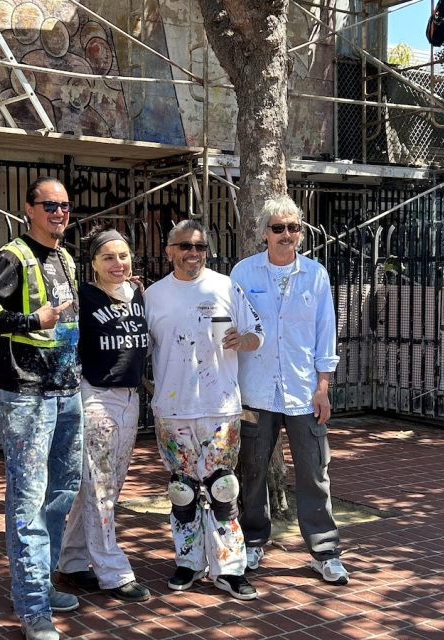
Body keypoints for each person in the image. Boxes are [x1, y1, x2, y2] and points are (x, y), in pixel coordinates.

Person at [0, 177, 82, 640]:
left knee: (63, 489)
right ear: (29, 209)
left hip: (66, 389)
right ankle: (33, 606)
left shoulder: (65, 257)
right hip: (25, 394)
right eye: (49, 205)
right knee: (28, 498)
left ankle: (43, 579)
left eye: (65, 206)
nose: (59, 213)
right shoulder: (12, 257)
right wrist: (32, 319)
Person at [230, 195, 349, 586]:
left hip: (303, 390)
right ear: (264, 232)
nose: (286, 235)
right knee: (252, 470)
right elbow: (232, 330)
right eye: (278, 228)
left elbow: (324, 333)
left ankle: (324, 550)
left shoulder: (316, 275)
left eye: (293, 227)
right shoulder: (243, 274)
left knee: (315, 471)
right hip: (255, 390)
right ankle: (251, 540)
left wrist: (323, 387)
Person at [144, 219, 264, 601]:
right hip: (173, 409)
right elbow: (138, 347)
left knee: (223, 489)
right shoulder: (152, 295)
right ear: (169, 251)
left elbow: (256, 333)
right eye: (184, 246)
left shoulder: (226, 285)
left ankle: (230, 568)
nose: (193, 253)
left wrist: (242, 339)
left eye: (199, 247)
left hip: (220, 406)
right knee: (182, 492)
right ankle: (189, 562)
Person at [57, 225, 151, 603]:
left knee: (99, 486)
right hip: (96, 396)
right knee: (101, 487)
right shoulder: (83, 297)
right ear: (93, 263)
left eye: (123, 256)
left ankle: (73, 561)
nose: (118, 263)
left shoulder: (139, 294)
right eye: (108, 257)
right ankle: (112, 570)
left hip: (130, 397)